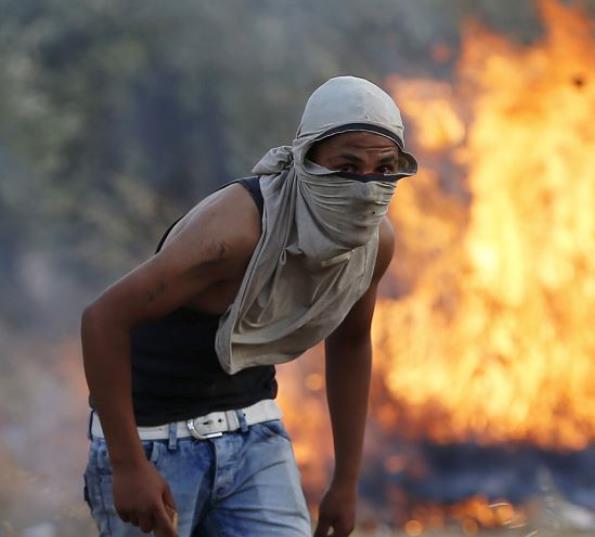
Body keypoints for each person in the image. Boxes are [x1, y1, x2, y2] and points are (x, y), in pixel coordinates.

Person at [80, 76, 417, 537]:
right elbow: (103, 320)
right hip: (154, 440)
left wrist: (346, 481)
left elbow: (352, 343)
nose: (366, 185)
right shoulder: (237, 231)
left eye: (384, 168)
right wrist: (127, 465)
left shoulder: (374, 242)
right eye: (347, 166)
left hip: (255, 431)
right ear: (305, 159)